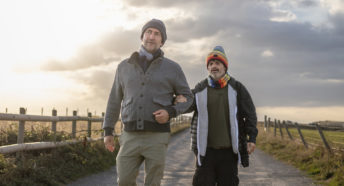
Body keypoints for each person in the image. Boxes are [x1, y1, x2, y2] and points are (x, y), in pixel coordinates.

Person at [102, 19, 193, 186]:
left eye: (157, 34)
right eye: (148, 32)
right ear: (142, 36)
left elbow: (188, 97)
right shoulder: (124, 67)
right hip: (129, 136)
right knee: (124, 180)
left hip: (157, 137)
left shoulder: (173, 68)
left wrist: (171, 112)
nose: (152, 36)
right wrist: (108, 130)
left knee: (153, 183)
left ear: (162, 41)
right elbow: (114, 99)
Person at [176, 46, 258, 186]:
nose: (214, 66)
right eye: (211, 64)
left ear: (225, 67)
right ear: (208, 68)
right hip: (205, 151)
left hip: (229, 152)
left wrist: (252, 138)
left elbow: (250, 113)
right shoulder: (200, 87)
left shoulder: (237, 87)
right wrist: (178, 100)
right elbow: (188, 106)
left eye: (218, 63)